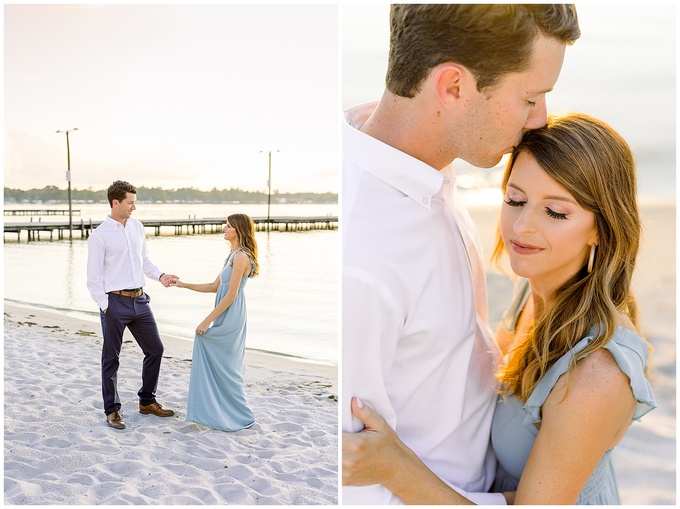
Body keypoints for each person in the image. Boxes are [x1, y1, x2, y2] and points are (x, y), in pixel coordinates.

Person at [343, 113, 657, 504]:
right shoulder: (534, 293)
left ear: (601, 227)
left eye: (556, 212)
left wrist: (394, 467)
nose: (522, 226)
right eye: (515, 199)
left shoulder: (597, 374)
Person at [342, 4, 580, 504]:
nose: (540, 120)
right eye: (530, 97)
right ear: (453, 87)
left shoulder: (428, 165)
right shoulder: (364, 258)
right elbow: (358, 480)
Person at [86, 180, 178, 430]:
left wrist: (161, 276)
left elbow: (144, 261)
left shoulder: (137, 227)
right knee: (111, 358)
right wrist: (106, 306)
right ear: (115, 203)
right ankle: (112, 410)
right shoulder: (99, 236)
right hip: (114, 302)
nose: (134, 207)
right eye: (130, 203)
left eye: (134, 202)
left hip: (140, 300)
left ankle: (147, 401)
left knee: (155, 349)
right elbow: (93, 278)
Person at [170, 213, 259, 431]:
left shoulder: (241, 257)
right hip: (225, 311)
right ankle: (214, 411)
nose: (224, 228)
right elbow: (213, 286)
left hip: (232, 314)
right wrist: (184, 285)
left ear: (238, 230)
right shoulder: (232, 255)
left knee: (227, 365)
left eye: (228, 226)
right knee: (218, 359)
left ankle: (238, 414)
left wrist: (207, 320)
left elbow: (231, 294)